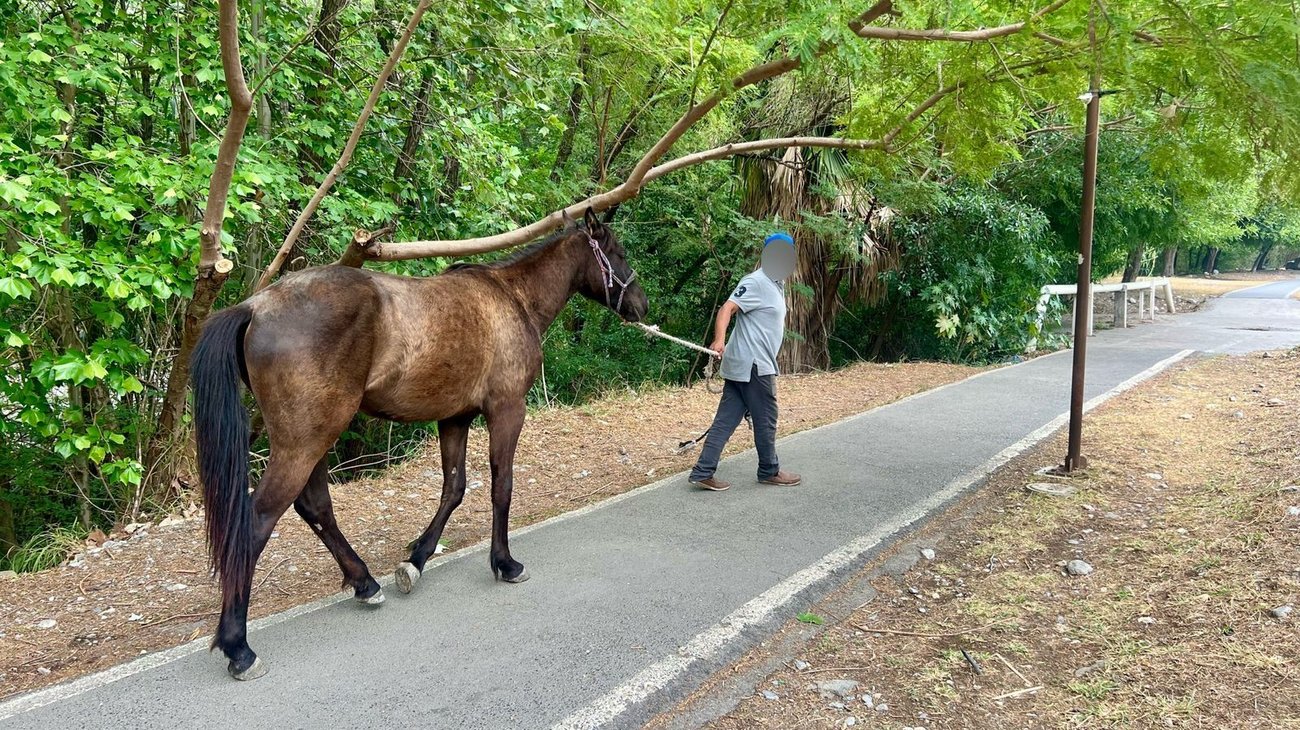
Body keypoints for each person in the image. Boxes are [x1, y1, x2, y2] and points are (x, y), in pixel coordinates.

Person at [688, 232, 802, 491]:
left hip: (746, 364)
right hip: (753, 365)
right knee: (766, 418)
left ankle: (703, 471)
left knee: (726, 420)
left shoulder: (775, 284)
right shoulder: (756, 281)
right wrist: (719, 339)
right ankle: (769, 470)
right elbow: (727, 307)